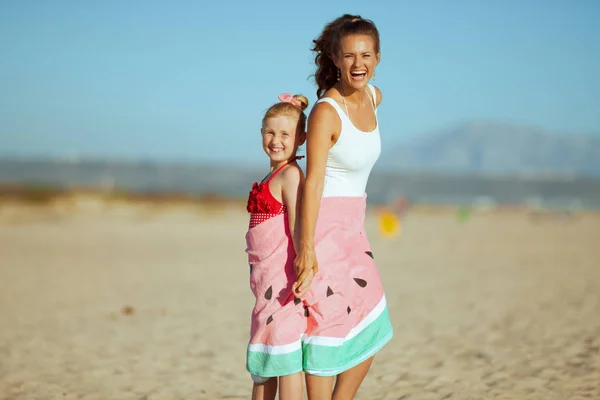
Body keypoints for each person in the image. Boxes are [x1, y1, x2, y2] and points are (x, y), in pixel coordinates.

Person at [292, 14, 394, 399]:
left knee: (373, 321)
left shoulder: (373, 96)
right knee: (325, 326)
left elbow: (375, 94)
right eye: (349, 56)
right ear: (335, 58)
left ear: (378, 58)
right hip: (323, 228)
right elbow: (313, 180)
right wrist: (306, 248)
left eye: (366, 55)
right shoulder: (325, 112)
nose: (358, 64)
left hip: (355, 230)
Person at [244, 93, 314, 400]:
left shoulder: (290, 175)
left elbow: (298, 225)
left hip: (283, 283)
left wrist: (304, 266)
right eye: (270, 132)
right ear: (261, 133)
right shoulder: (271, 174)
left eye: (285, 134)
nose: (276, 140)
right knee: (266, 353)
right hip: (264, 282)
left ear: (300, 138)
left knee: (284, 356)